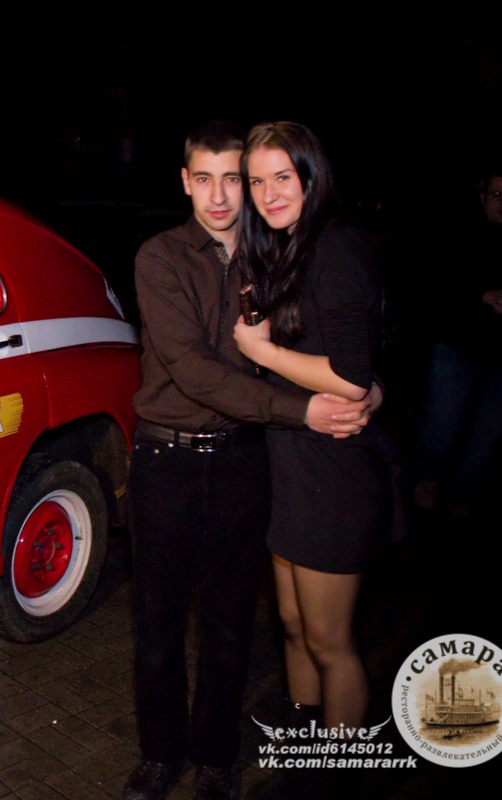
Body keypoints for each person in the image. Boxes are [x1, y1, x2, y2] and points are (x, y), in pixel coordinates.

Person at [124, 120, 374, 800]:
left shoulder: (277, 259)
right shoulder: (160, 257)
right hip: (167, 460)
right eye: (204, 179)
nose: (219, 197)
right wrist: (303, 409)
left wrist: (367, 386)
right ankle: (160, 754)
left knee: (232, 623)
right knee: (158, 625)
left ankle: (215, 757)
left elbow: (334, 341)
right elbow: (194, 372)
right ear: (185, 182)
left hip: (245, 461)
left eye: (234, 179)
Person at [232, 122, 399, 750]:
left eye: (283, 177)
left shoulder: (337, 248)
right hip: (291, 464)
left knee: (330, 640)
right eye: (258, 182)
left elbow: (351, 378)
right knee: (294, 622)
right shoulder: (284, 250)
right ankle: (304, 729)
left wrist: (262, 351)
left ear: (310, 176)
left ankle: (340, 763)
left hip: (334, 469)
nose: (270, 194)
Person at [412, 166, 502, 518]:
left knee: (487, 435)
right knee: (440, 425)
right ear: (482, 195)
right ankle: (428, 480)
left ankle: (461, 493)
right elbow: (434, 284)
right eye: (497, 195)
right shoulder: (459, 232)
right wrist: (482, 296)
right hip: (457, 350)